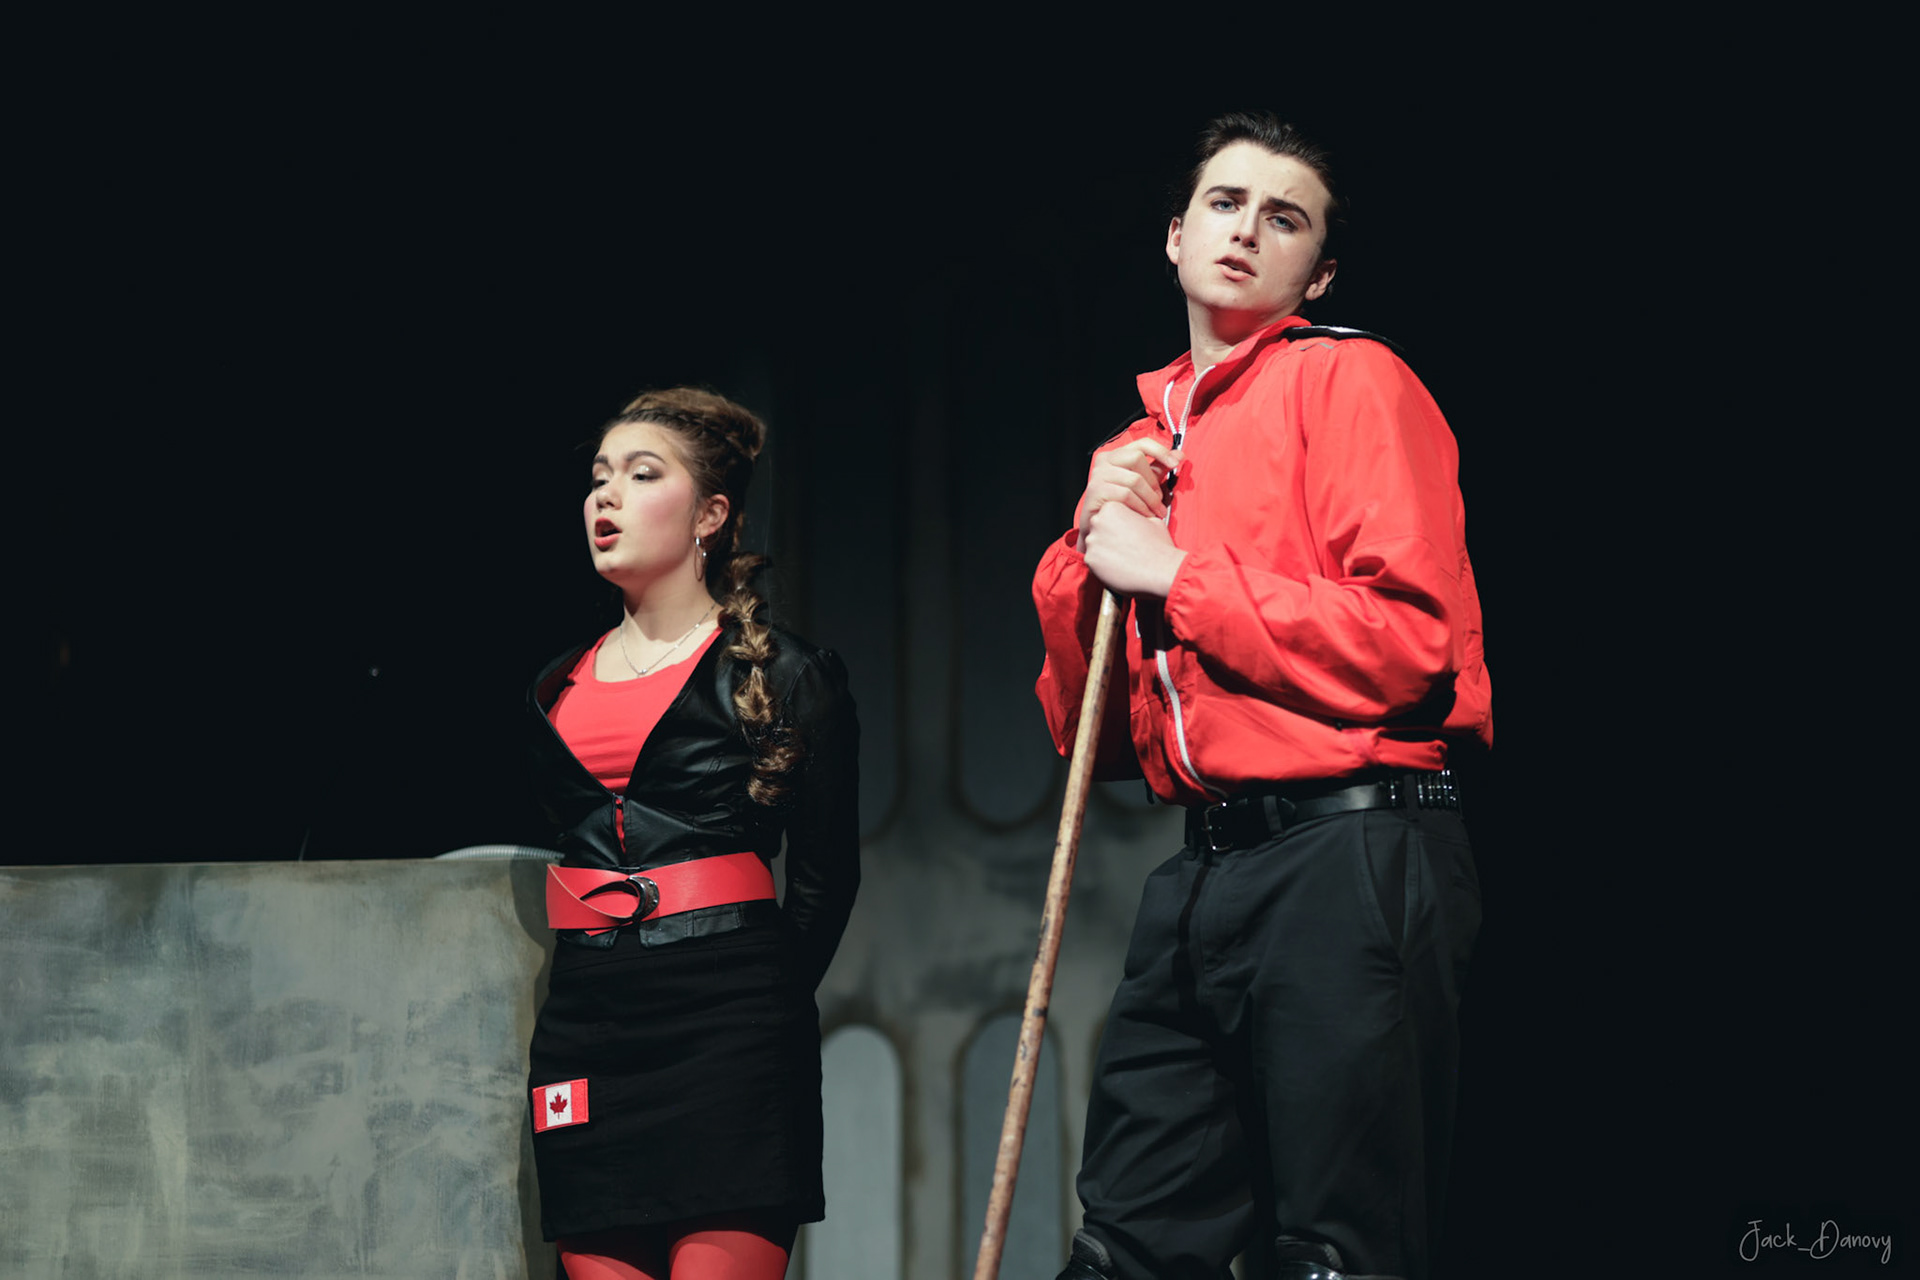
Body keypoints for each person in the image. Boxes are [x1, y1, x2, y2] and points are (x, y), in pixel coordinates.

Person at [1033, 114, 1491, 1280]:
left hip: (1352, 846)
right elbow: (1098, 741)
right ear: (1175, 235)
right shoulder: (1144, 448)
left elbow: (1412, 644)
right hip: (1205, 867)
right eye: (1225, 204)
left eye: (1285, 218)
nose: (1247, 230)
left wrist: (1176, 574)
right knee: (1123, 1247)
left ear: (1318, 272)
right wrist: (1088, 548)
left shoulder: (1349, 377)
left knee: (1331, 1251)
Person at [525, 387, 859, 1280]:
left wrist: (760, 1004)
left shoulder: (788, 673)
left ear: (711, 514)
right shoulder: (556, 684)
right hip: (587, 1026)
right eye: (599, 477)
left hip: (727, 1029)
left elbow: (826, 880)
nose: (607, 496)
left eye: (642, 475)